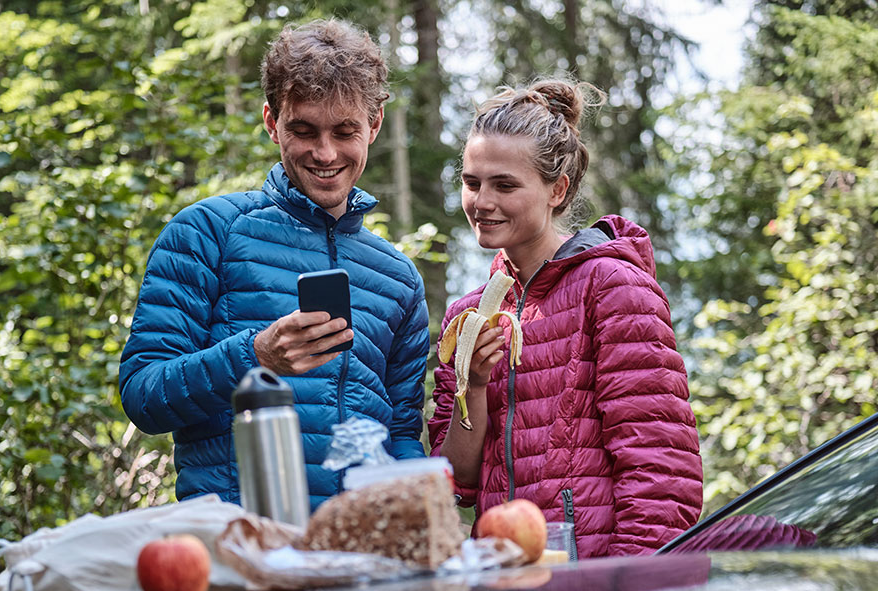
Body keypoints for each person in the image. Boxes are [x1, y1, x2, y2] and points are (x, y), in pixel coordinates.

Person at [119, 19, 429, 511]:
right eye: (303, 130)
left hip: (359, 554)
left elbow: (401, 433)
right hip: (239, 545)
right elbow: (144, 396)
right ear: (271, 121)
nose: (325, 153)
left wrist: (420, 506)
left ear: (374, 124)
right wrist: (255, 356)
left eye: (345, 131)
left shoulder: (398, 278)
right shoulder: (207, 233)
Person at [428, 77, 703, 557]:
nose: (482, 202)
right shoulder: (467, 315)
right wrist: (471, 386)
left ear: (558, 189)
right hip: (505, 590)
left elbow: (661, 473)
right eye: (472, 183)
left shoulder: (613, 287)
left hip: (592, 590)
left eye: (505, 185)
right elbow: (458, 482)